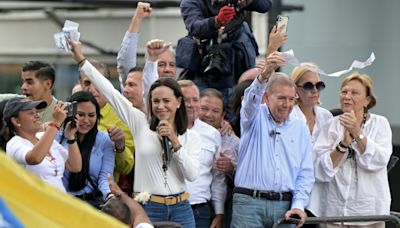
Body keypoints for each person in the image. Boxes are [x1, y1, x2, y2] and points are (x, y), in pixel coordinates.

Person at [69, 39, 200, 226]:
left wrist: (175, 142)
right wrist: (81, 59)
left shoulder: (191, 136)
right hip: (148, 208)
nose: (160, 106)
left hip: (181, 208)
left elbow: (192, 175)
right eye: (155, 101)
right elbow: (111, 93)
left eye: (166, 101)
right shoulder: (140, 123)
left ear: (178, 102)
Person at [232, 52, 315, 228]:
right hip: (249, 205)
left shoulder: (300, 127)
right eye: (281, 98)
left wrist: (299, 206)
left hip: (285, 207)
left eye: (291, 99)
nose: (287, 104)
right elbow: (249, 101)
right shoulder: (253, 116)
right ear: (267, 97)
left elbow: (305, 173)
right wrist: (264, 75)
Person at [309, 72, 392, 228]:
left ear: (367, 100)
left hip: (369, 215)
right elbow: (320, 169)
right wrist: (343, 145)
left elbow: (379, 161)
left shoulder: (380, 124)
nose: (347, 96)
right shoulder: (330, 125)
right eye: (344, 92)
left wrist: (357, 132)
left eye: (354, 93)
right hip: (334, 213)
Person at [3, 97, 81, 191]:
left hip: (59, 202)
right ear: (16, 121)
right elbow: (34, 158)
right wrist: (56, 122)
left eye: (37, 112)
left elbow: (75, 166)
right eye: (31, 113)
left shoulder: (43, 136)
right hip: (35, 204)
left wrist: (71, 136)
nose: (38, 116)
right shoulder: (14, 144)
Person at [79, 59, 134, 187]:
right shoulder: (68, 113)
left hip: (103, 195)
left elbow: (126, 168)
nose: (92, 89)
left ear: (107, 84)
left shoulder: (122, 116)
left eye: (98, 82)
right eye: (87, 83)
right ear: (80, 84)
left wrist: (120, 147)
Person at [177, 80, 225, 228]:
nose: (191, 104)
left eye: (195, 100)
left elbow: (217, 177)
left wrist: (219, 213)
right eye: (186, 100)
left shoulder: (212, 134)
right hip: (169, 207)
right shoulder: (164, 129)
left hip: (199, 211)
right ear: (176, 102)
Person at [58, 91, 115, 208]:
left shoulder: (104, 140)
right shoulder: (57, 137)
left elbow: (105, 177)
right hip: (62, 202)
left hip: (93, 202)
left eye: (91, 115)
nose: (86, 120)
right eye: (80, 114)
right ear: (70, 113)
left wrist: (109, 196)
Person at [199, 88, 239, 227]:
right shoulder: (184, 132)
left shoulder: (232, 141)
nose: (208, 114)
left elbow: (244, 176)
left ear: (223, 115)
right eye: (204, 108)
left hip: (223, 206)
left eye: (215, 111)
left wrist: (231, 168)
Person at [290, 63, 333, 144]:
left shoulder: (327, 116)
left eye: (319, 85)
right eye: (308, 86)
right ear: (295, 88)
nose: (315, 90)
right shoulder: (287, 117)